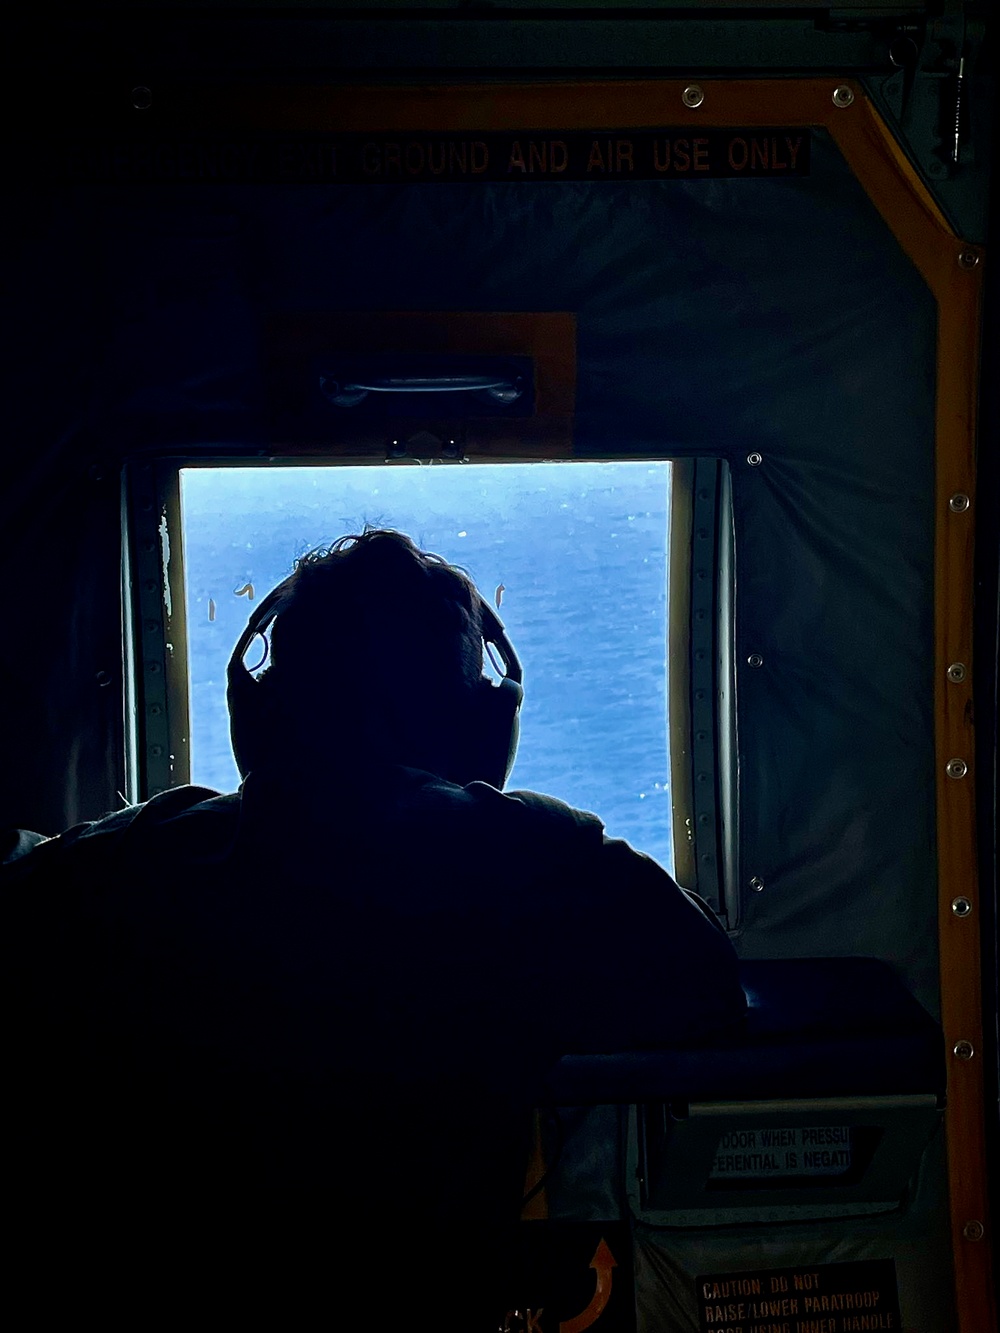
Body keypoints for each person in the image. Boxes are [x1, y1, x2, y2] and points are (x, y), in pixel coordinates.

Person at [2, 528, 745, 1326]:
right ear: (482, 726)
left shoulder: (151, 853)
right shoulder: (534, 859)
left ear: (260, 711)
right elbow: (707, 981)